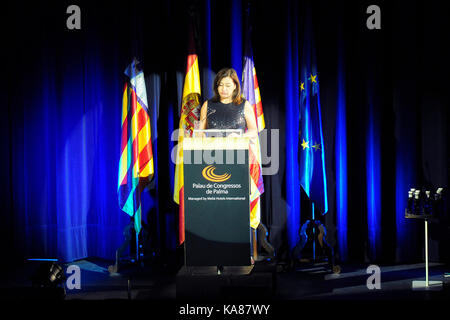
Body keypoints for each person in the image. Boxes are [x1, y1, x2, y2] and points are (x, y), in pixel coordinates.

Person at [198, 68, 258, 266]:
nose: (223, 89)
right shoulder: (209, 104)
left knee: (237, 208)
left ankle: (242, 252)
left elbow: (254, 131)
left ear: (235, 87)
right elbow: (201, 132)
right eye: (220, 85)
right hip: (212, 160)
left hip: (237, 160)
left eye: (227, 85)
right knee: (215, 208)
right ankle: (215, 252)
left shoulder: (243, 105)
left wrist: (239, 135)